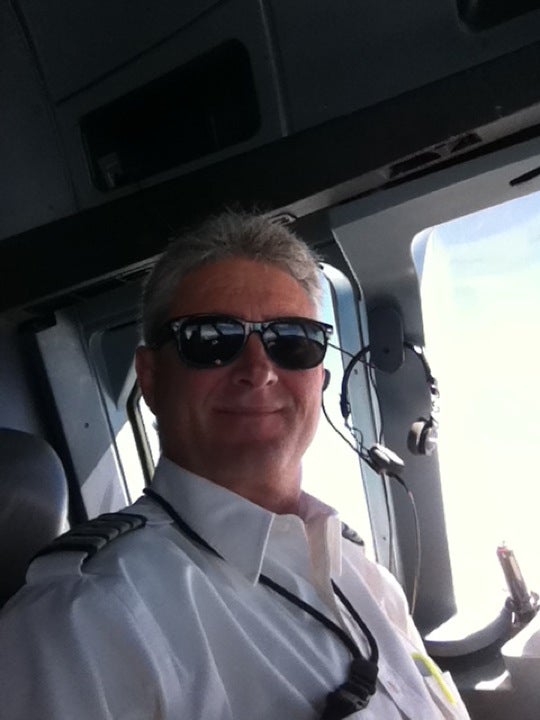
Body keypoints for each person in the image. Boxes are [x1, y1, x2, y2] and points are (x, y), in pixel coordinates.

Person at [0, 211, 470, 719]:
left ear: (320, 377)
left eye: (292, 340)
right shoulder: (81, 622)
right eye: (211, 339)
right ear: (151, 378)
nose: (258, 370)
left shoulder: (368, 580)